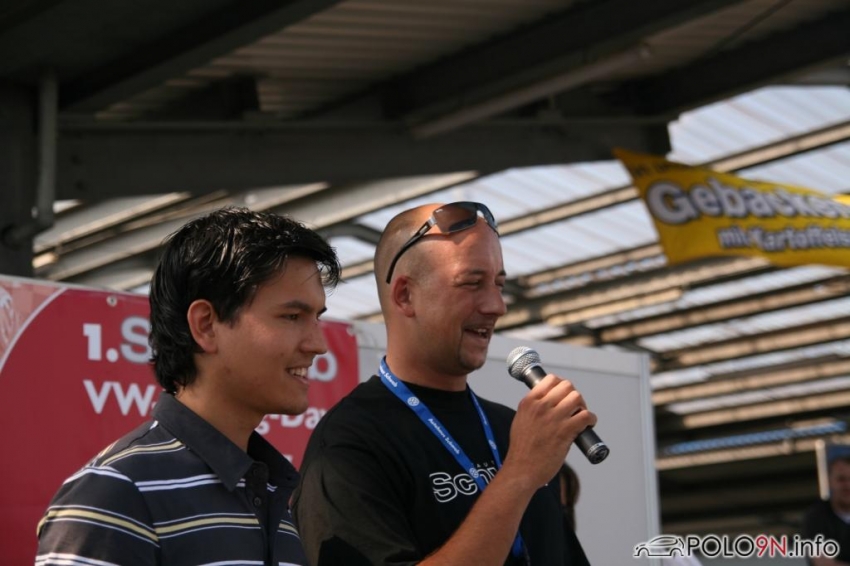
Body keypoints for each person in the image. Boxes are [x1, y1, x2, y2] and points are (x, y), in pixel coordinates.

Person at [293, 201, 596, 565]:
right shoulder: (350, 442)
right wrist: (519, 475)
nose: (497, 305)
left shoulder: (512, 429)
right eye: (472, 283)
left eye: (498, 284)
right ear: (405, 295)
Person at [36, 207, 341, 565]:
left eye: (316, 318)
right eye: (291, 316)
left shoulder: (276, 495)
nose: (318, 344)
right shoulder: (113, 495)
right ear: (206, 325)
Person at [803, 454, 850, 565]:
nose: (848, 485)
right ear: (829, 482)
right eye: (841, 479)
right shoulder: (816, 517)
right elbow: (823, 563)